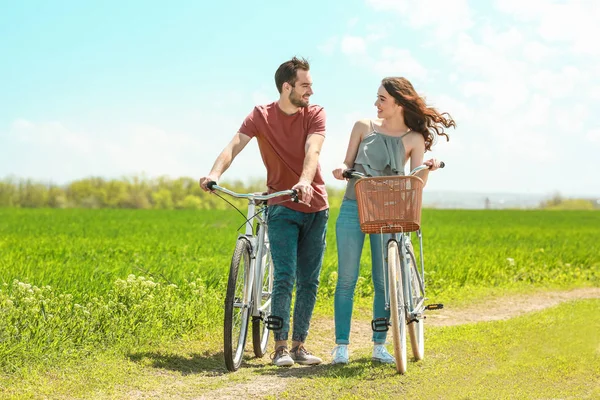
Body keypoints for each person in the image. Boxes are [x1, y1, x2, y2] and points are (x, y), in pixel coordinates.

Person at [199, 57, 329, 367]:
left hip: (315, 206)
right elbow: (234, 145)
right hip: (281, 204)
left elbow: (314, 150)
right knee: (285, 275)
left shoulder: (316, 114)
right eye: (305, 85)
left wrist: (304, 181)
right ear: (287, 87)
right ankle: (280, 347)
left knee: (309, 280)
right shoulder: (261, 115)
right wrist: (214, 174)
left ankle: (300, 345)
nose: (311, 91)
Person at [330, 77, 455, 364]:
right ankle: (341, 346)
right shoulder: (363, 126)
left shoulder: (414, 139)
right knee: (346, 279)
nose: (376, 104)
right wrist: (341, 168)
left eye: (382, 99)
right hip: (354, 205)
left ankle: (379, 345)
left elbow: (416, 183)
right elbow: (348, 163)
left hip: (389, 211)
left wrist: (427, 166)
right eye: (377, 98)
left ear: (399, 103)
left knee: (383, 282)